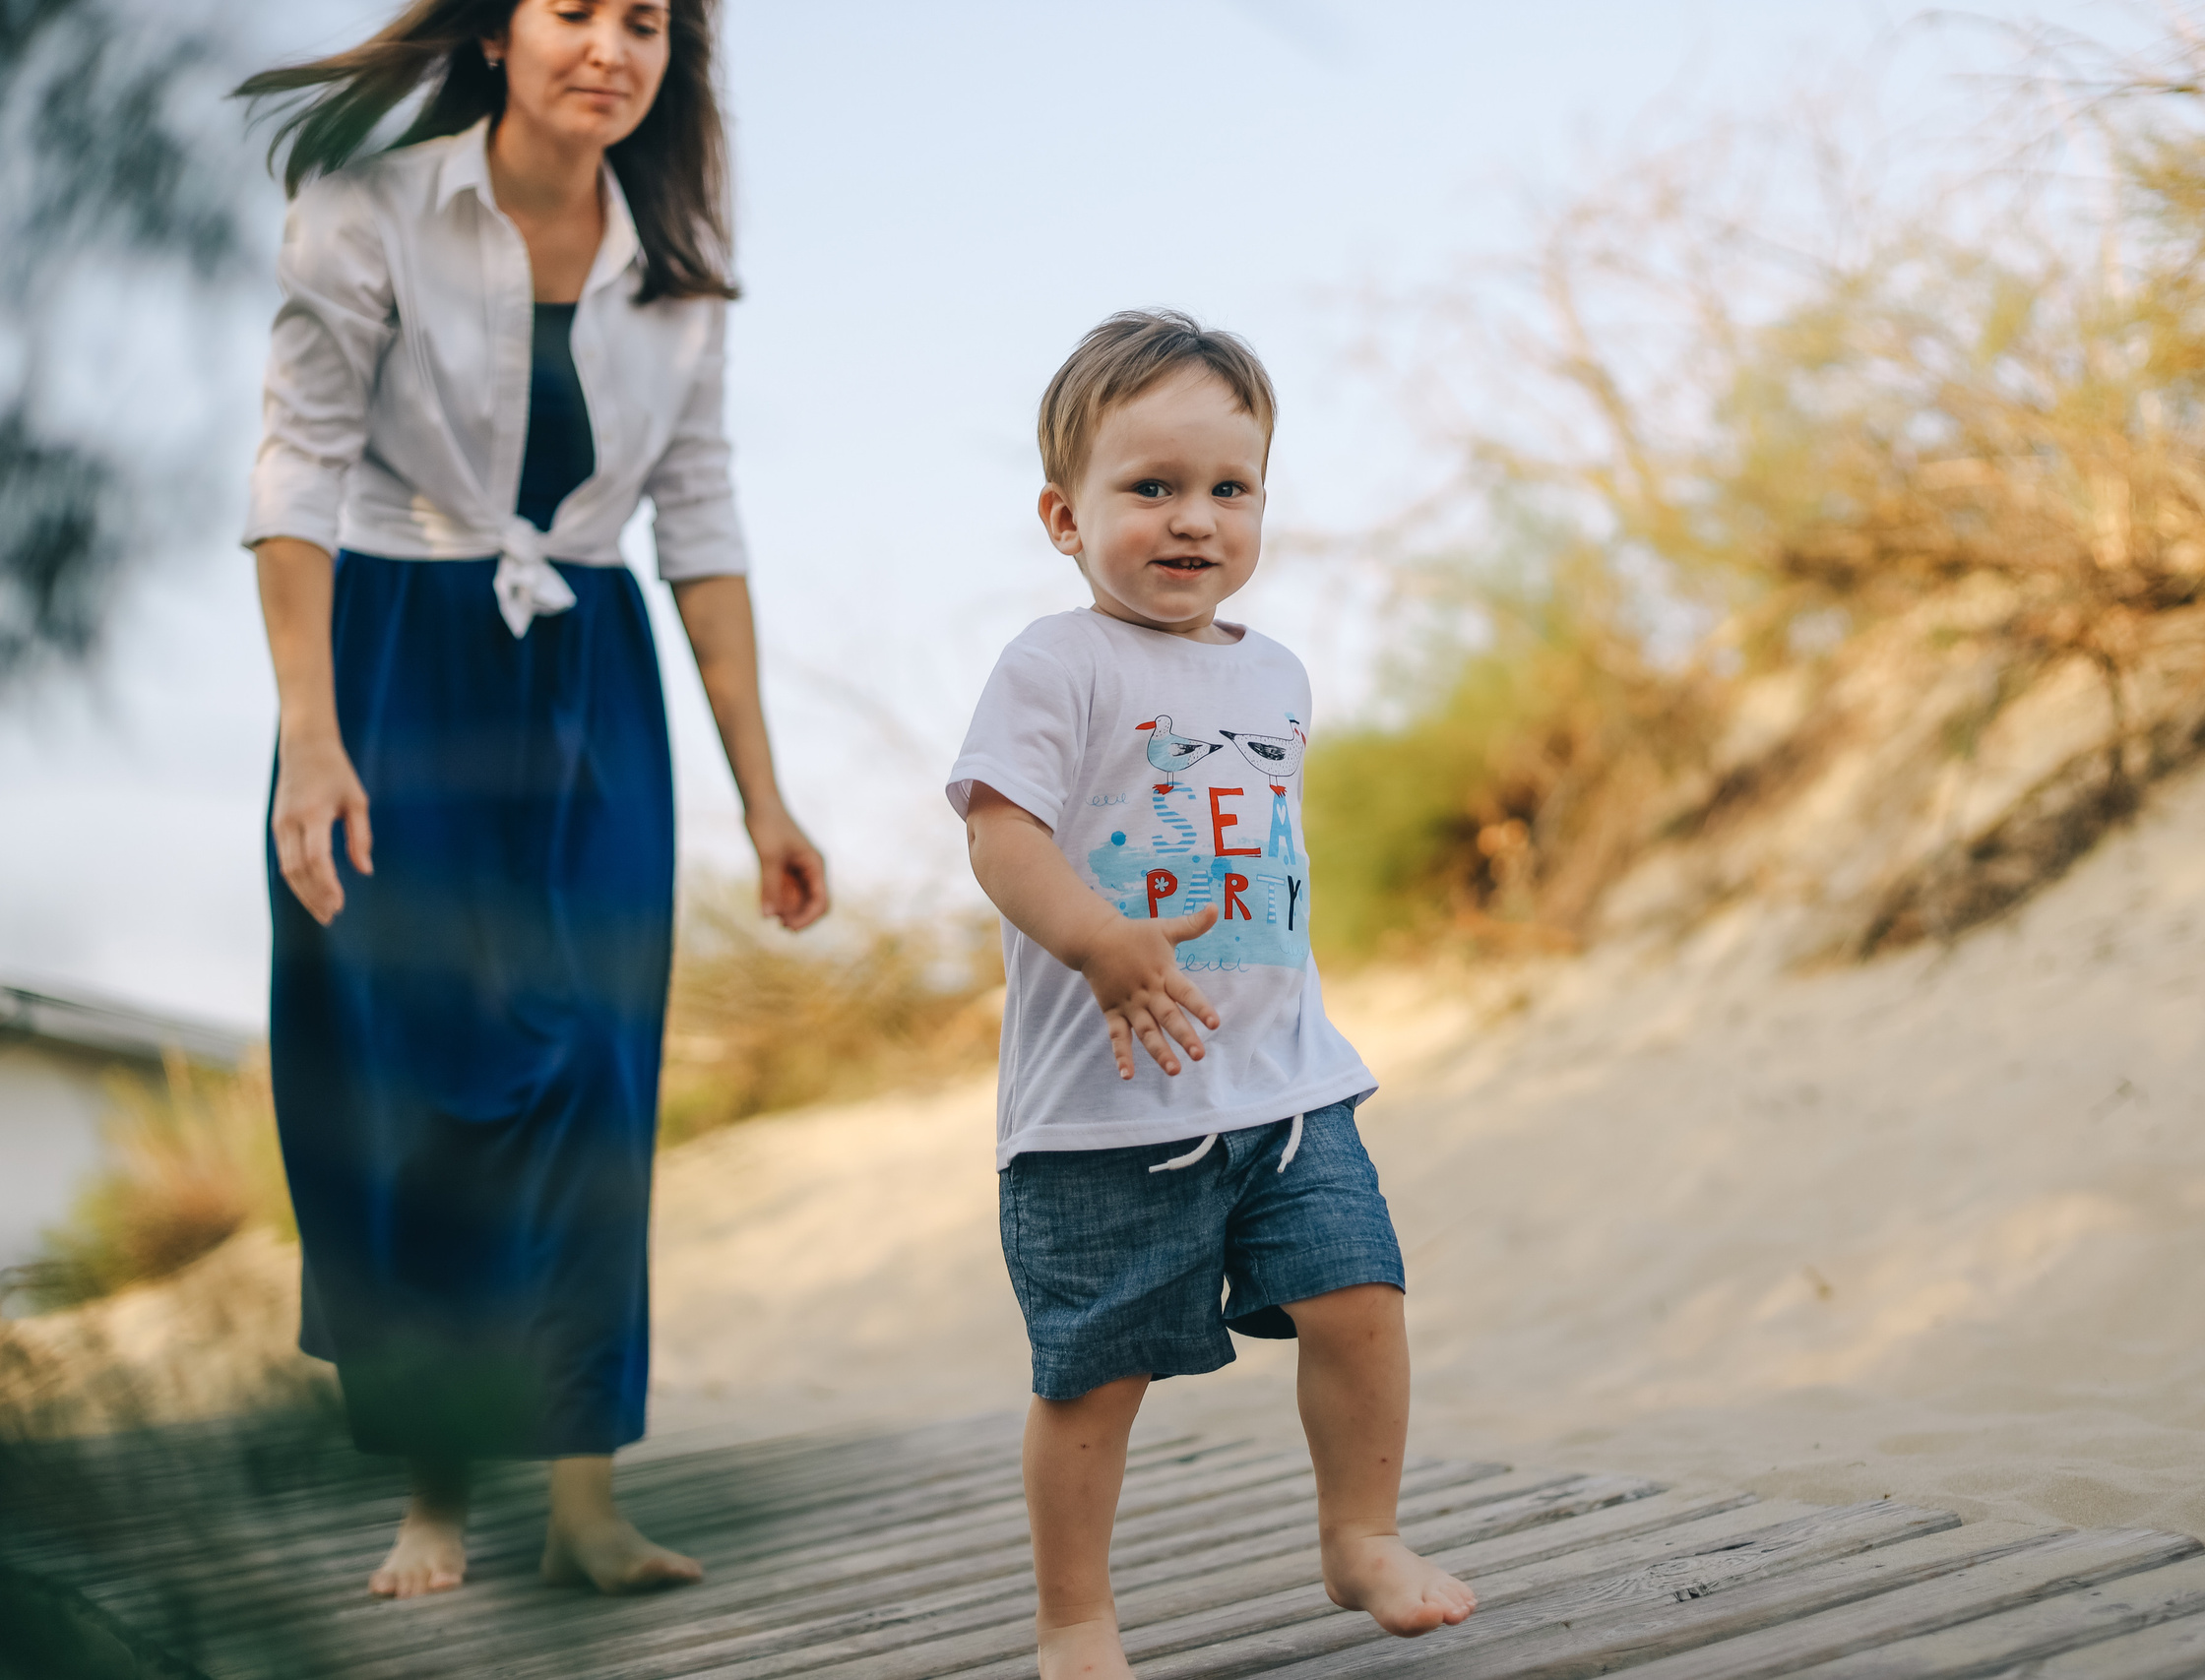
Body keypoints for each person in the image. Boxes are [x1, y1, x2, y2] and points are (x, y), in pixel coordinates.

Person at [234, 0, 828, 1598]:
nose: (611, 47)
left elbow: (699, 525)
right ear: (499, 32)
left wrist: (764, 798)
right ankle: (432, 1494)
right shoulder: (366, 206)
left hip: (591, 684)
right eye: (576, 9)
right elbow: (294, 471)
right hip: (389, 667)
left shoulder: (678, 276)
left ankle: (584, 1499)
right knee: (416, 1072)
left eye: (647, 23)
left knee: (593, 1073)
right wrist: (311, 735)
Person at [948, 311, 1479, 1679]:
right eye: (1151, 489)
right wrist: (1099, 940)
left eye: (1227, 490)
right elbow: (1001, 833)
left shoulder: (1277, 672)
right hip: (1104, 1114)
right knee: (1091, 1379)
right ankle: (1076, 1616)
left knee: (1361, 1299)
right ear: (1066, 516)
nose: (1193, 522)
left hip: (1290, 1086)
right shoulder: (1055, 664)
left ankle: (1358, 1534)